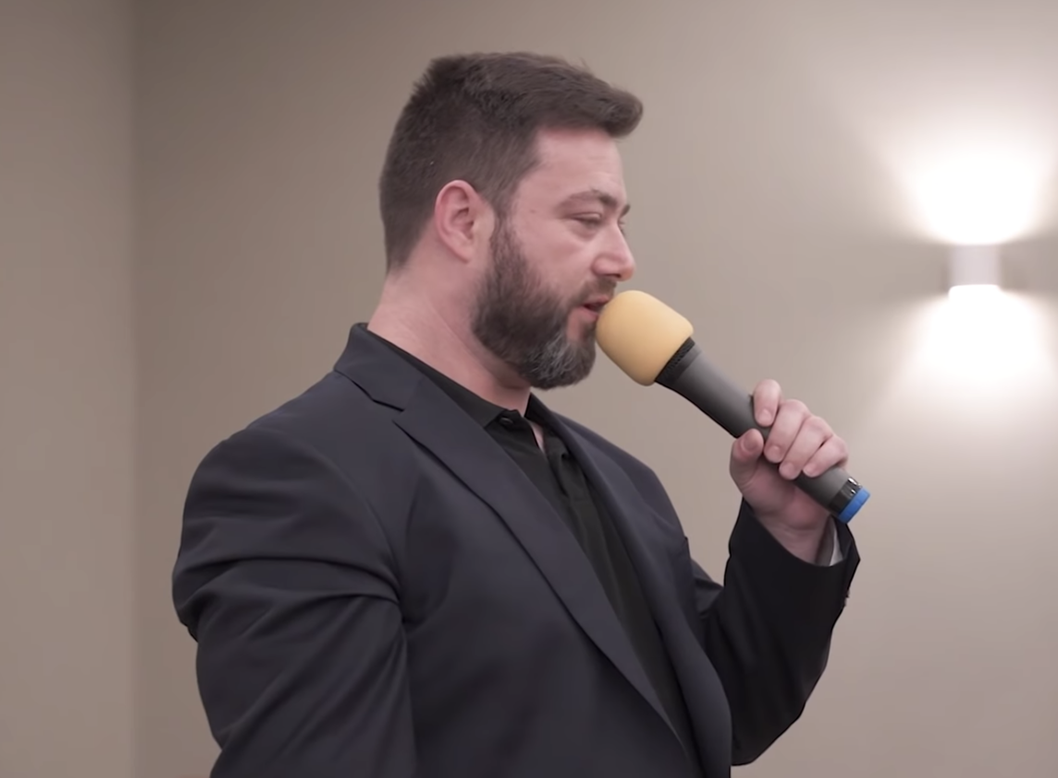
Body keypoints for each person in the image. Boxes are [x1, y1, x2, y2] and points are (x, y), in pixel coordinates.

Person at [172, 51, 861, 778]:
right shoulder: (299, 476)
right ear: (463, 220)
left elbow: (721, 716)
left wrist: (789, 532)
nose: (622, 259)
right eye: (587, 219)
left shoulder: (622, 479)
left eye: (621, 223)